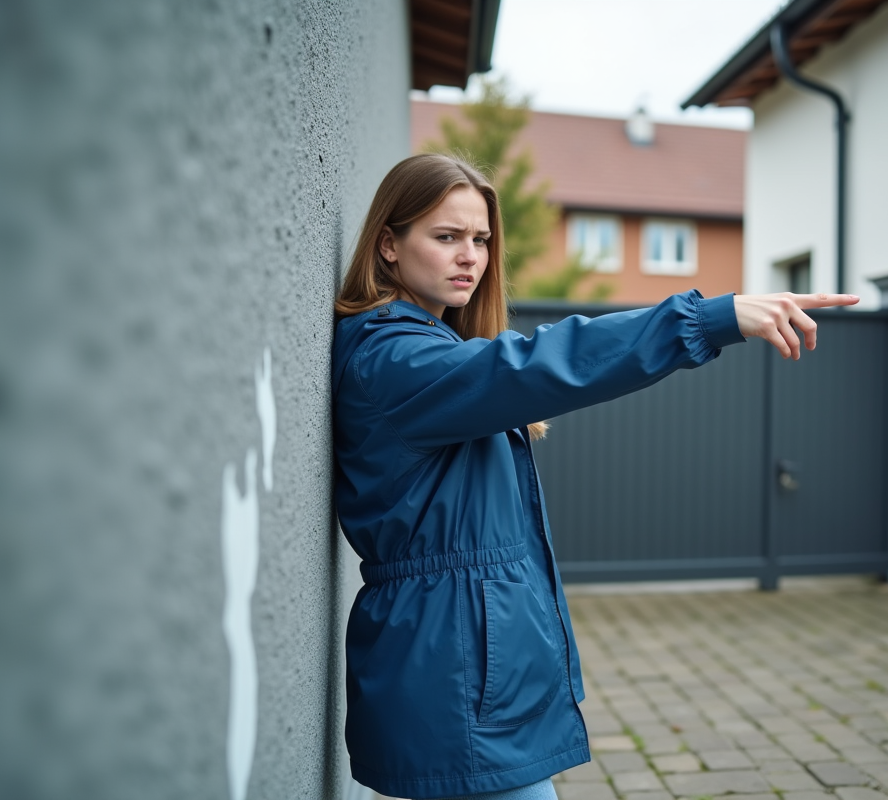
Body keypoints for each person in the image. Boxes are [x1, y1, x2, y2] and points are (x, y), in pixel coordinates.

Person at [331, 153, 858, 800]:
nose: (471, 256)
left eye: (481, 239)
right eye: (446, 237)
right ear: (389, 245)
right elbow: (543, 364)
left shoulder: (431, 351)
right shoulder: (395, 360)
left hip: (468, 666)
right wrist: (709, 319)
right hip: (452, 672)